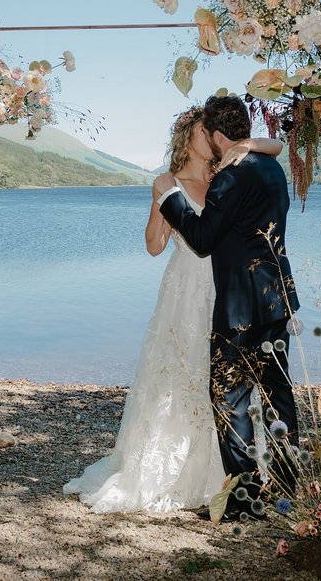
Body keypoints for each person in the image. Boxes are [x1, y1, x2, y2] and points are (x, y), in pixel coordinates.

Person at [62, 106, 283, 513]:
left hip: (228, 290)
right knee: (183, 376)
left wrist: (249, 142)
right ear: (190, 137)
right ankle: (176, 471)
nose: (211, 137)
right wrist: (160, 200)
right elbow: (153, 246)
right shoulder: (171, 184)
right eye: (204, 131)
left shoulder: (228, 172)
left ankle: (230, 474)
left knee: (227, 385)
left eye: (212, 131)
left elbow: (275, 145)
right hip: (185, 291)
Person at [155, 95, 301, 519]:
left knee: (229, 397)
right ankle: (288, 486)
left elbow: (202, 240)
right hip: (276, 299)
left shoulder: (228, 179)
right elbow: (272, 147)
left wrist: (171, 198)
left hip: (239, 307)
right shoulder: (272, 169)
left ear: (217, 135)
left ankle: (244, 499)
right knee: (277, 395)